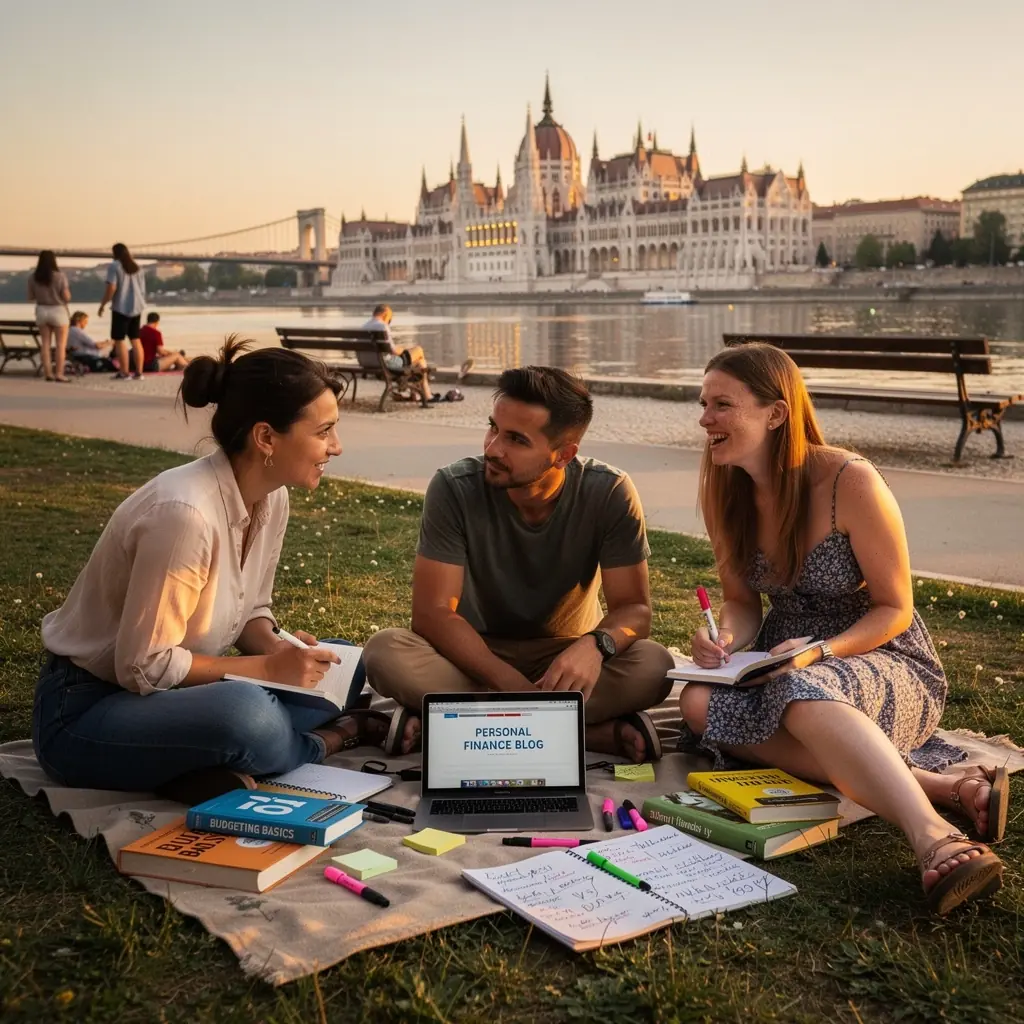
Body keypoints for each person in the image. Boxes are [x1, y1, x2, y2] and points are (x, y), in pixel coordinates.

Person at [678, 342, 1008, 915]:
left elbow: (894, 608)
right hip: (784, 657)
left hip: (881, 653)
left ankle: (934, 836)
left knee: (800, 695)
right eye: (703, 404)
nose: (705, 419)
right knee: (696, 703)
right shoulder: (723, 490)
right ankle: (938, 786)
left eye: (722, 405)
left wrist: (821, 652)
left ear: (776, 413)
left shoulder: (850, 482)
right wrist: (725, 637)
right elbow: (740, 602)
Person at [33, 337, 403, 804]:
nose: (337, 447)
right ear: (266, 437)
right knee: (248, 715)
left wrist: (278, 648)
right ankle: (328, 739)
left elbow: (253, 611)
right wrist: (267, 668)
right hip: (88, 709)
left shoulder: (272, 496)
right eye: (324, 431)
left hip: (174, 696)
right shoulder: (184, 515)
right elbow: (143, 667)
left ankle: (205, 765)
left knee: (344, 663)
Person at [363, 366, 675, 761]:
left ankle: (454, 723)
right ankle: (591, 735)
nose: (493, 448)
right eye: (493, 428)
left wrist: (596, 645)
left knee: (655, 666)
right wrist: (513, 686)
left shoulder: (609, 491)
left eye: (515, 439)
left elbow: (635, 610)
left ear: (563, 455)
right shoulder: (454, 487)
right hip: (472, 655)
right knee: (385, 653)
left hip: (567, 661)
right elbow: (433, 614)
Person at [360, 304, 435, 404]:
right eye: (390, 318)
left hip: (366, 362)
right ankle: (426, 394)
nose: (389, 321)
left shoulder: (363, 327)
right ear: (385, 314)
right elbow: (393, 350)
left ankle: (419, 394)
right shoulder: (382, 326)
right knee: (419, 350)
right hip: (387, 364)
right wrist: (403, 350)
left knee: (420, 361)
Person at [98, 242, 147, 380]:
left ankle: (124, 372)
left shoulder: (114, 266)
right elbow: (143, 290)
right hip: (137, 307)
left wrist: (103, 304)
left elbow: (111, 288)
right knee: (135, 339)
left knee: (119, 340)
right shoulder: (137, 267)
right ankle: (139, 373)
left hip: (120, 307)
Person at [26, 250, 71, 382]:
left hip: (42, 310)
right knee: (60, 345)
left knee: (45, 344)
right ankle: (59, 374)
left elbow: (30, 297)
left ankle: (48, 374)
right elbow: (66, 297)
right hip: (58, 310)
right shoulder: (60, 276)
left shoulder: (32, 277)